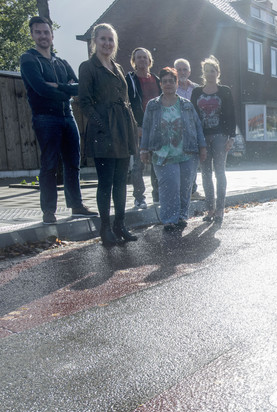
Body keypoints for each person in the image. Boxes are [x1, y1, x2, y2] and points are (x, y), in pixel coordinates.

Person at [19, 16, 98, 225]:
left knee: (73, 163)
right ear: (32, 35)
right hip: (45, 117)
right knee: (49, 164)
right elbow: (40, 88)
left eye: (46, 32)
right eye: (38, 32)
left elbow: (80, 87)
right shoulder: (28, 59)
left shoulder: (61, 63)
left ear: (52, 35)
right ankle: (48, 211)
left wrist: (58, 87)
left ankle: (77, 206)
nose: (43, 36)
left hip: (67, 116)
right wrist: (65, 89)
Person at [78, 23, 138, 246]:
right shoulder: (88, 67)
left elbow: (125, 99)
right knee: (106, 182)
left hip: (122, 129)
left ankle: (120, 225)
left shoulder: (119, 68)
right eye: (103, 39)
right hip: (103, 131)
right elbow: (83, 101)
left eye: (110, 39)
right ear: (95, 40)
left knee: (122, 181)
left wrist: (130, 127)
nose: (107, 43)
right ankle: (105, 229)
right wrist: (100, 124)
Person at [140, 67, 207, 231]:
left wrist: (202, 146)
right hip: (163, 155)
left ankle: (182, 217)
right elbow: (146, 127)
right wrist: (144, 149)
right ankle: (169, 219)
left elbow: (197, 126)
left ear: (177, 83)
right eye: (165, 81)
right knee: (169, 187)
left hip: (187, 153)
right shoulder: (153, 105)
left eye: (172, 81)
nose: (168, 84)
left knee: (185, 188)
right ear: (161, 84)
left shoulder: (186, 105)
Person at [191, 56, 236, 224]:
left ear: (218, 72)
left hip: (220, 136)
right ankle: (209, 208)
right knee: (205, 173)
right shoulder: (196, 92)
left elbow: (231, 114)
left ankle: (220, 209)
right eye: (207, 71)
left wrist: (231, 137)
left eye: (213, 71)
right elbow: (193, 117)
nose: (210, 74)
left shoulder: (224, 91)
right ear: (203, 73)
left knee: (219, 172)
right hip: (202, 137)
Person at [126, 47, 161, 208]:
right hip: (139, 126)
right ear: (134, 60)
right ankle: (139, 197)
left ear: (149, 60)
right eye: (138, 57)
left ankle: (158, 195)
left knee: (157, 161)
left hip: (157, 126)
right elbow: (128, 104)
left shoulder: (156, 79)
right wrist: (135, 126)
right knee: (139, 163)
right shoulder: (130, 79)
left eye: (145, 57)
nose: (142, 60)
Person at [174, 58, 202, 199]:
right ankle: (179, 192)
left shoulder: (197, 88)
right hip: (177, 130)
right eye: (179, 69)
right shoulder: (172, 88)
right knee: (178, 161)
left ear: (189, 72)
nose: (182, 72)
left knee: (192, 161)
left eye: (185, 69)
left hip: (193, 130)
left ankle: (193, 191)